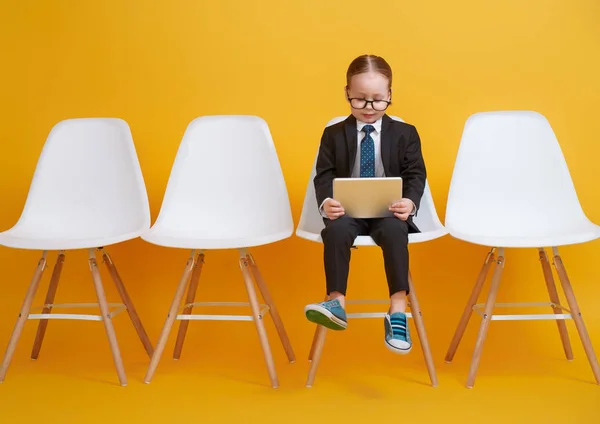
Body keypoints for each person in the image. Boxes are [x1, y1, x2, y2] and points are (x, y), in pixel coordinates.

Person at [304, 54, 427, 354]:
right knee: (334, 231)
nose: (369, 108)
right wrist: (327, 203)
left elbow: (415, 174)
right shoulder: (333, 134)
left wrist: (409, 203)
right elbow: (324, 175)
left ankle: (398, 309)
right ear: (347, 92)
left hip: (389, 212)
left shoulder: (405, 133)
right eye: (359, 100)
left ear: (390, 95)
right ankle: (337, 302)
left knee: (396, 231)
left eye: (377, 100)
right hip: (348, 211)